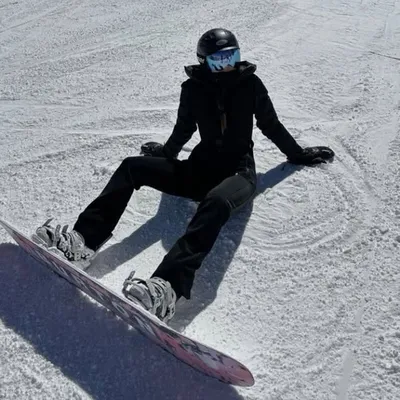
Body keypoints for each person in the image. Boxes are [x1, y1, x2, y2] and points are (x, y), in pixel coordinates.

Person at [34, 28, 334, 323]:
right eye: (219, 60)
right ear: (204, 61)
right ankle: (82, 242)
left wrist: (297, 154)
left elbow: (271, 125)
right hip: (198, 169)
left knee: (217, 201)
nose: (227, 65)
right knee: (132, 166)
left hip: (238, 174)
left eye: (232, 57)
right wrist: (165, 153)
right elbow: (184, 128)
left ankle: (166, 288)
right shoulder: (193, 89)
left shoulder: (250, 84)